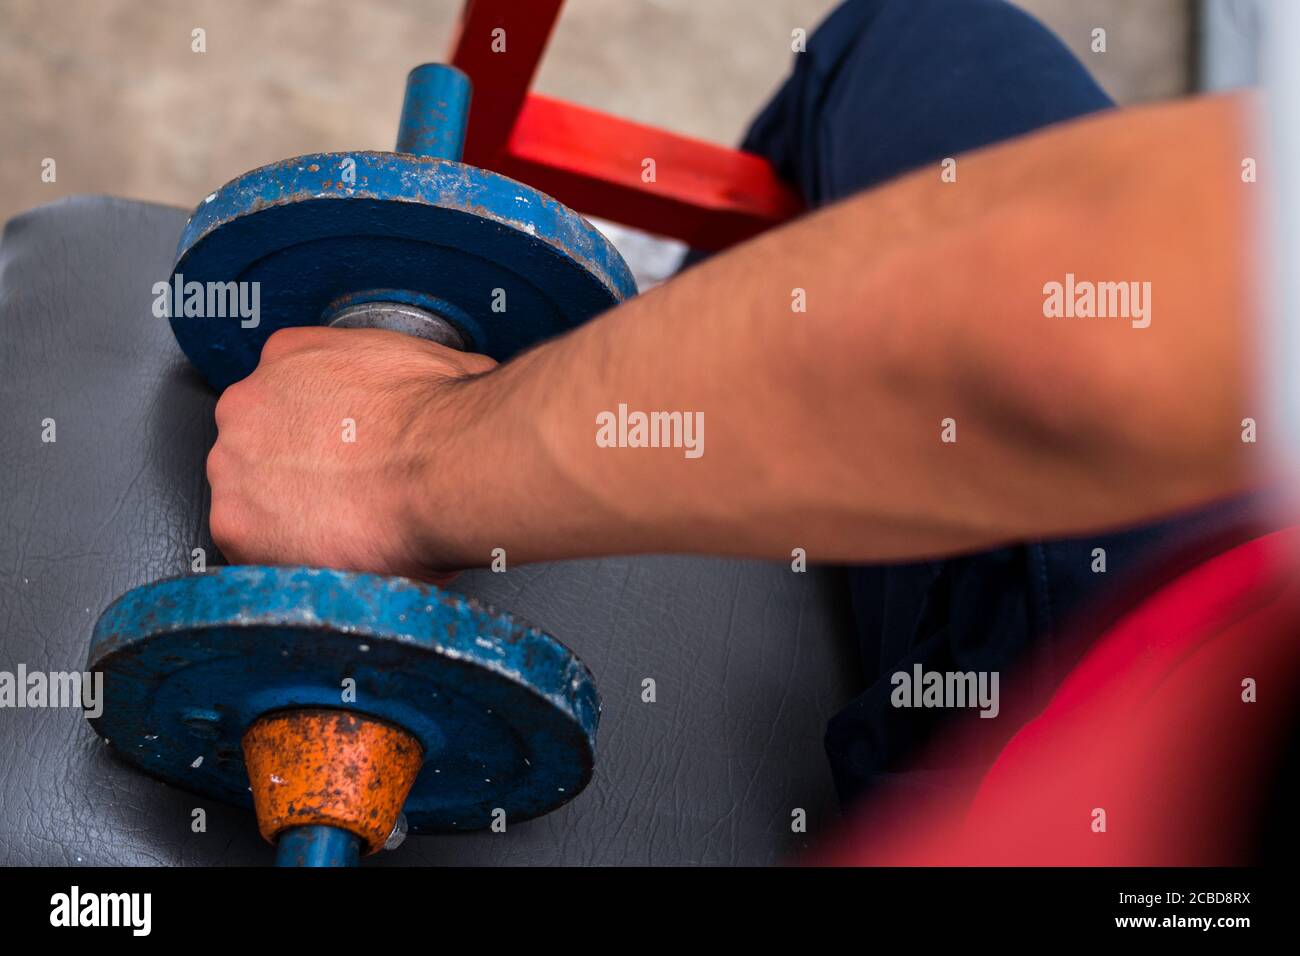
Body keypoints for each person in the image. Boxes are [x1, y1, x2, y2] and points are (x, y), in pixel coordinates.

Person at [204, 0, 1265, 805]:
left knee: (911, 34)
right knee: (939, 35)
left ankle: (702, 318)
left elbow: (1060, 352)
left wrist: (400, 456)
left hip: (1103, 751)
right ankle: (721, 303)